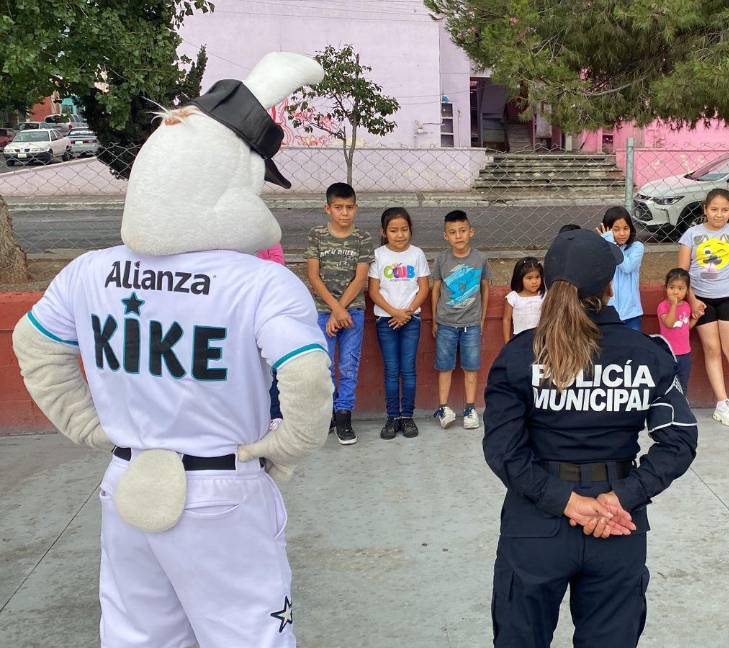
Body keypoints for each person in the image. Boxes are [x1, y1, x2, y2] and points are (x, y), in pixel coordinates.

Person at [12, 52, 332, 647]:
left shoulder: (89, 272)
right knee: (249, 636)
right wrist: (289, 443)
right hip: (223, 487)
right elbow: (307, 375)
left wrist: (86, 424)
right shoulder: (260, 283)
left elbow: (33, 344)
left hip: (127, 481)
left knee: (138, 636)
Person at [482, 228, 698, 648]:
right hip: (618, 520)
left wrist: (566, 502)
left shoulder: (519, 354)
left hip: (536, 520)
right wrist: (623, 496)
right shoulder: (647, 353)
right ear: (609, 287)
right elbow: (680, 442)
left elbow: (502, 450)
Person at [678, 188, 729, 428]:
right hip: (702, 300)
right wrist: (692, 300)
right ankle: (723, 403)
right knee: (712, 350)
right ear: (705, 209)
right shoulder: (692, 234)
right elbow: (682, 272)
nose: (719, 214)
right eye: (714, 209)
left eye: (724, 210)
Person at [305, 182, 374, 445]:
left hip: (352, 312)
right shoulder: (317, 235)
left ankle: (344, 414)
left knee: (348, 365)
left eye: (349, 207)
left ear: (356, 208)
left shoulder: (362, 238)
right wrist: (335, 310)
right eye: (338, 207)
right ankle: (327, 415)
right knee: (324, 365)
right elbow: (313, 276)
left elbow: (360, 279)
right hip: (324, 311)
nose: (344, 213)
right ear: (328, 208)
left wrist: (341, 311)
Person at [368, 207, 430, 440]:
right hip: (386, 321)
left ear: (410, 230)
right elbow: (374, 291)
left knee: (408, 369)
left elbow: (424, 288)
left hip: (411, 320)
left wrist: (408, 312)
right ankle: (392, 417)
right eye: (393, 230)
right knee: (392, 370)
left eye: (404, 229)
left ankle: (407, 416)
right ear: (383, 232)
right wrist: (395, 312)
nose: (400, 234)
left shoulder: (417, 254)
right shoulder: (378, 255)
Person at [430, 209, 490, 430]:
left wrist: (482, 319)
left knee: (471, 368)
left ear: (471, 232)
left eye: (462, 230)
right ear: (446, 236)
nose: (458, 236)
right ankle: (443, 408)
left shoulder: (480, 259)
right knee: (444, 367)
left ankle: (470, 408)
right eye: (453, 232)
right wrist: (435, 320)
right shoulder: (442, 259)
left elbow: (485, 289)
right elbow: (435, 290)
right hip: (446, 323)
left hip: (471, 324)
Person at [598, 206, 645, 330]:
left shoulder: (636, 247)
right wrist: (606, 243)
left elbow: (627, 266)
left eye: (626, 228)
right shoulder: (601, 250)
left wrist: (610, 243)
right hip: (609, 313)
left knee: (634, 342)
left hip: (631, 314)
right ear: (607, 230)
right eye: (616, 229)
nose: (622, 233)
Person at [257, 243, 287, 423]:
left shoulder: (269, 242)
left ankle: (275, 414)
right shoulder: (232, 243)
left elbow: (277, 268)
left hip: (269, 307)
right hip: (240, 310)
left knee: (273, 363)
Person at [658, 267, 697, 390]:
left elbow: (686, 327)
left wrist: (696, 318)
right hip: (668, 353)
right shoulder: (663, 306)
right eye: (672, 287)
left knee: (683, 382)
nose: (675, 292)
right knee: (668, 383)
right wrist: (673, 306)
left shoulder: (686, 306)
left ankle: (682, 401)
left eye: (680, 289)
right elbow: (669, 323)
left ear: (687, 291)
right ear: (666, 288)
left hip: (685, 353)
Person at [503, 256, 545, 342]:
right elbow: (506, 319)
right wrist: (507, 343)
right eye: (529, 278)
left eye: (537, 277)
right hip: (520, 339)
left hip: (540, 338)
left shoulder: (544, 296)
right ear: (520, 278)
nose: (534, 281)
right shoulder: (513, 297)